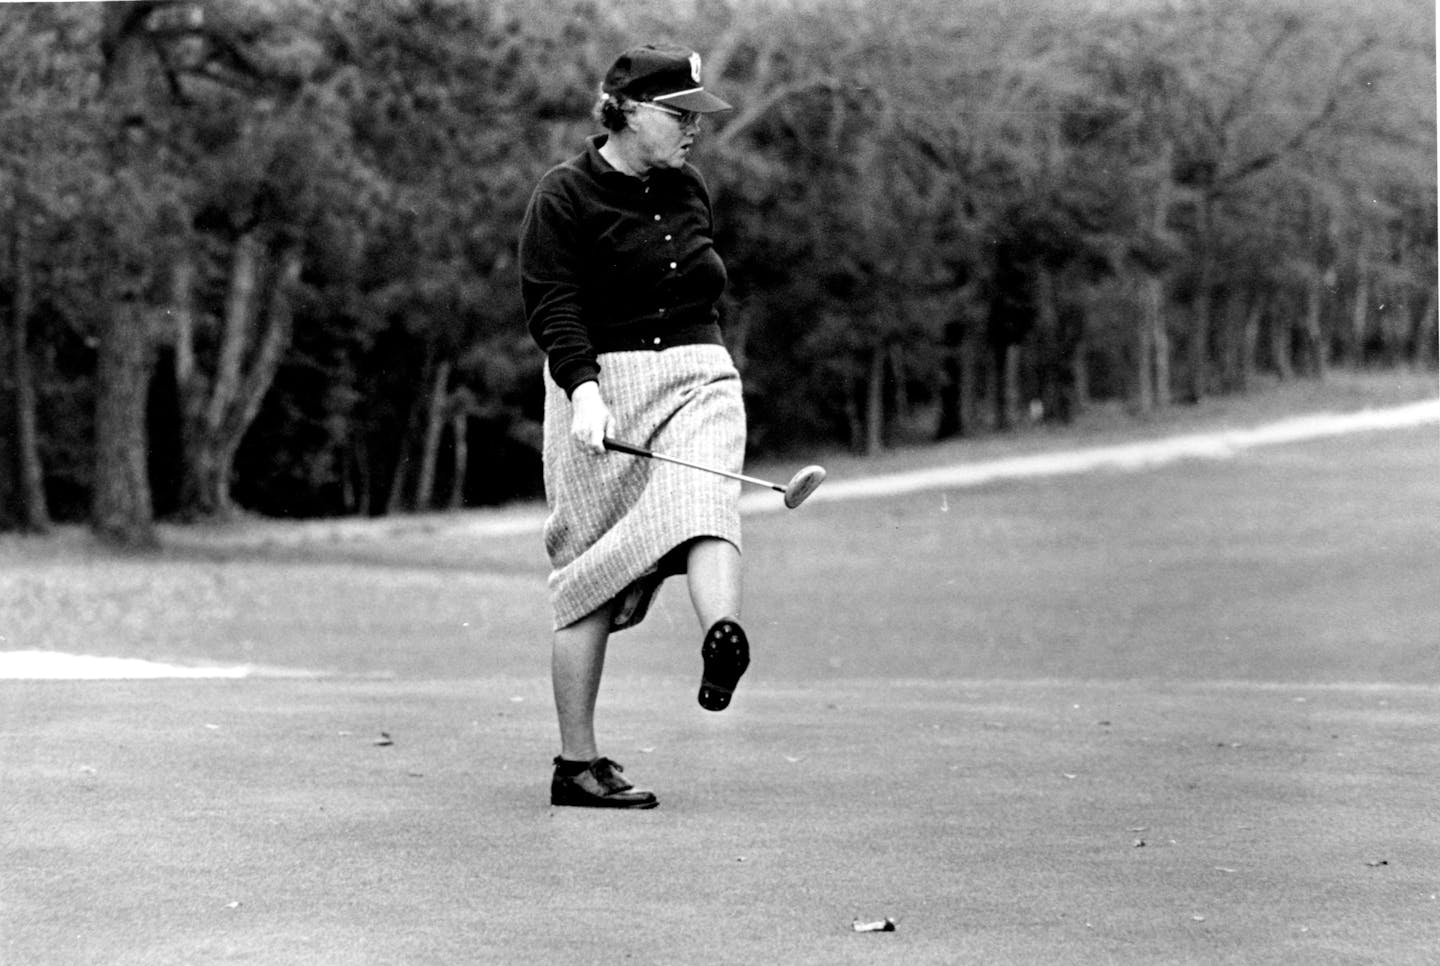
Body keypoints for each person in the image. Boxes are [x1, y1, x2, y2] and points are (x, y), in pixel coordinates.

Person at [518, 44, 750, 810]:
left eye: (697, 116)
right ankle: (576, 766)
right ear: (624, 112)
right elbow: (555, 305)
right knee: (587, 573)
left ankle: (722, 634)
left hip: (697, 371)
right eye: (678, 114)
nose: (693, 129)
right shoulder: (564, 195)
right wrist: (583, 390)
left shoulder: (689, 189)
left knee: (709, 493)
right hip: (601, 389)